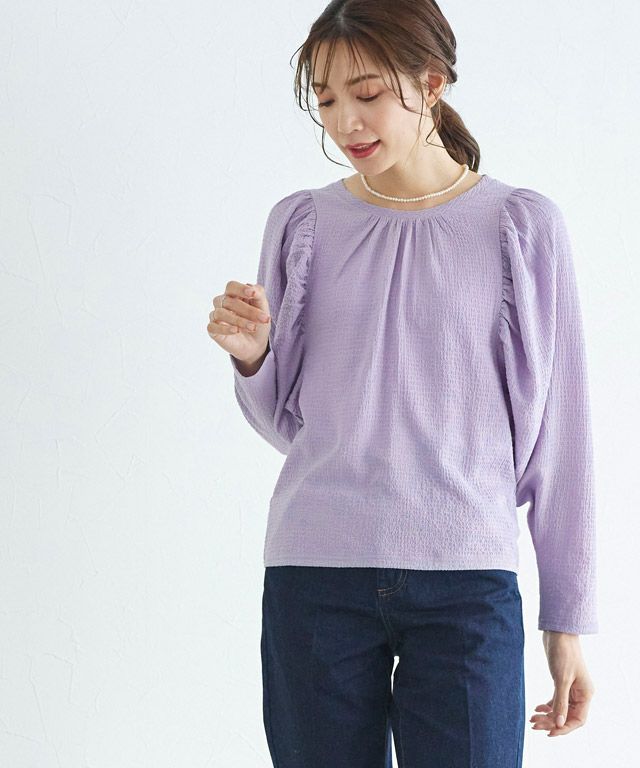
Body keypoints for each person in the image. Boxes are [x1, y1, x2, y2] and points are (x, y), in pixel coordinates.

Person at [207, 1, 598, 765]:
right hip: (314, 574)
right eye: (326, 100)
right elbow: (289, 424)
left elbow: (563, 435)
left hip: (467, 581)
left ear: (433, 82)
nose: (344, 122)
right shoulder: (301, 224)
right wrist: (255, 357)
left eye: (367, 93)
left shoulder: (520, 226)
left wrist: (568, 617)